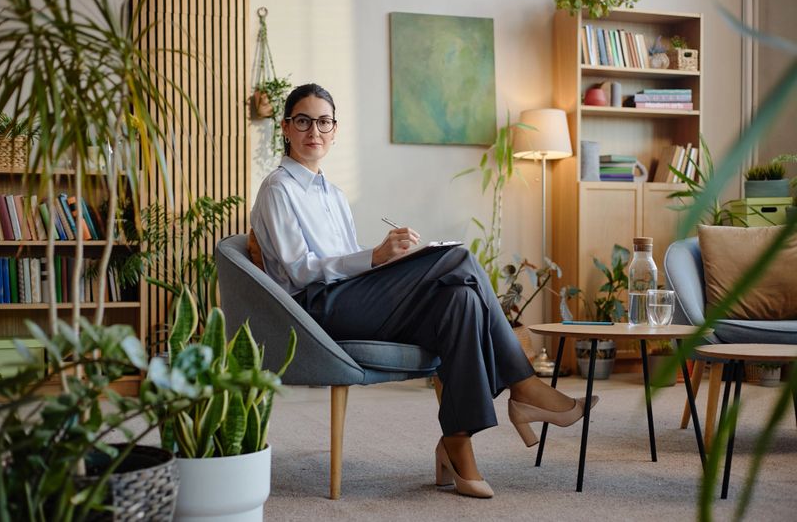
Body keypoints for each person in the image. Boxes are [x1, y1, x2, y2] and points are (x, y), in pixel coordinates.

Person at [250, 83, 598, 498]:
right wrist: (375, 259)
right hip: (313, 310)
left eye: (324, 122)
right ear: (286, 128)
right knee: (461, 259)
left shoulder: (333, 194)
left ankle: (458, 440)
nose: (315, 131)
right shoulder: (278, 189)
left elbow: (343, 259)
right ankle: (522, 384)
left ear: (335, 129)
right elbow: (300, 271)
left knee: (461, 299)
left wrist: (387, 262)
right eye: (303, 121)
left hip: (346, 296)